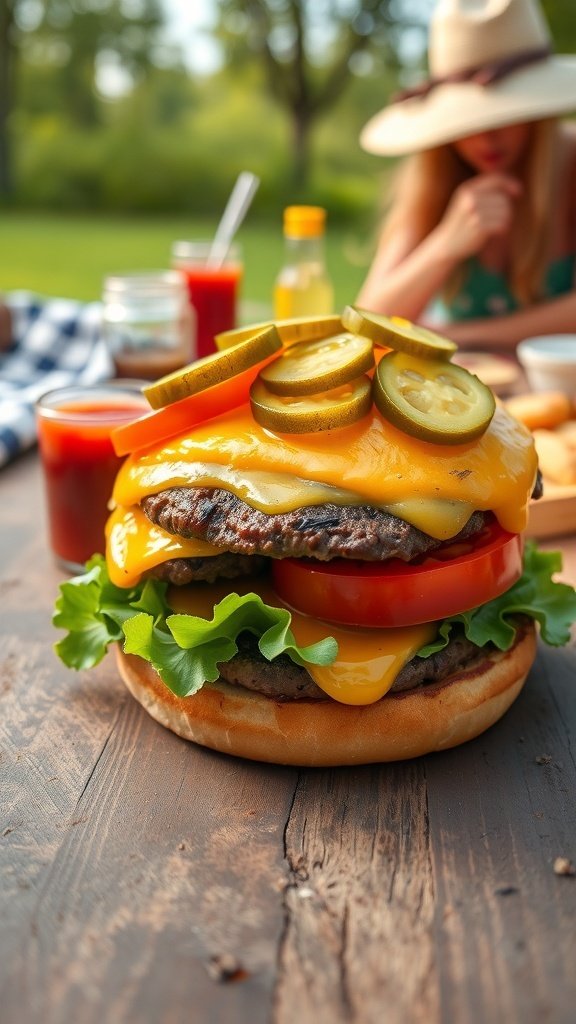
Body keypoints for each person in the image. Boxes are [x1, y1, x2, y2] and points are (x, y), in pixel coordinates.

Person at [357, 0, 576, 353]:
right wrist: (446, 243)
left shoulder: (572, 163)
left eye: (505, 113)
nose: (486, 137)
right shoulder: (434, 175)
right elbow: (369, 319)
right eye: (469, 120)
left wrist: (460, 336)